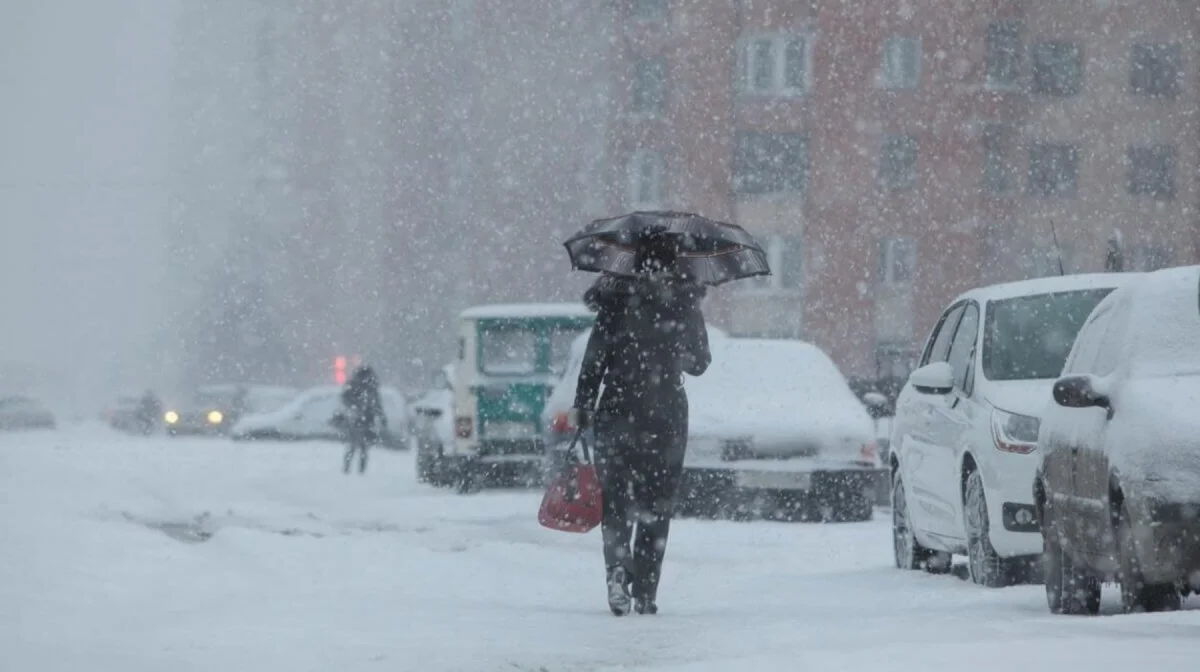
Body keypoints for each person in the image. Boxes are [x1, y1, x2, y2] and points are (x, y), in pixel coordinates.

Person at [569, 231, 711, 616]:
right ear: (675, 261)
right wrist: (673, 353)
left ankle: (617, 570)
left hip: (617, 411)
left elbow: (593, 363)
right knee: (656, 504)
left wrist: (582, 410)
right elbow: (700, 363)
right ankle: (646, 592)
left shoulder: (615, 303)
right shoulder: (685, 303)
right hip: (665, 414)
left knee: (615, 501)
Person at [339, 365, 387, 474]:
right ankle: (358, 470)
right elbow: (377, 404)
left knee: (357, 445)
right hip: (362, 418)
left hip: (362, 418)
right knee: (361, 446)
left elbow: (376, 404)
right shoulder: (367, 387)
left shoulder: (358, 386)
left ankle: (352, 469)